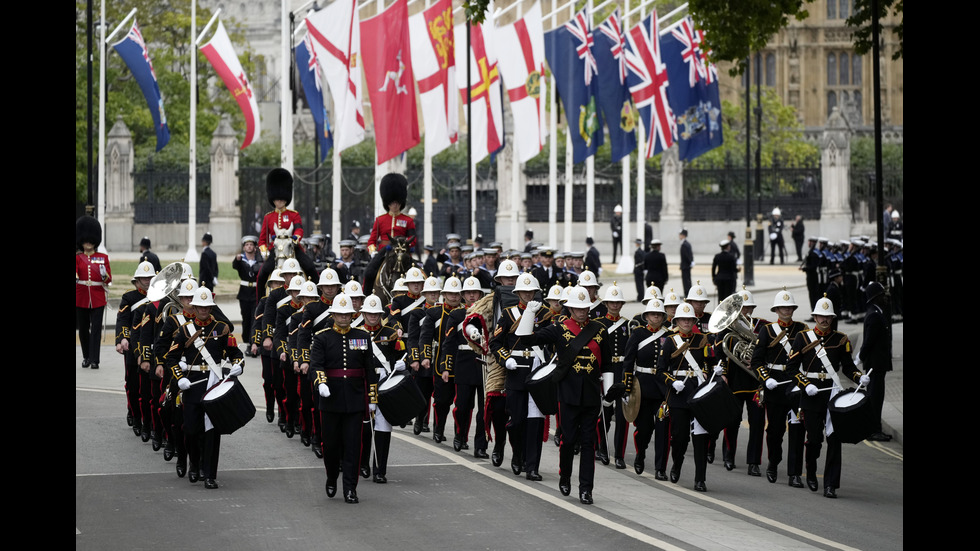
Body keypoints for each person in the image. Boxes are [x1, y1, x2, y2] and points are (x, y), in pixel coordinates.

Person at [516, 287, 613, 504]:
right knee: (568, 440)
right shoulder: (558, 328)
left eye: (585, 307)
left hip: (590, 395)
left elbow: (607, 363)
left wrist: (607, 391)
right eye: (577, 308)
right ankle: (566, 476)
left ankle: (586, 489)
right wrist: (529, 314)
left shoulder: (599, 329)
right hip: (567, 393)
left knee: (589, 443)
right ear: (569, 307)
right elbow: (526, 340)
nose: (581, 311)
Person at [790, 296, 869, 498]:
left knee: (835, 439)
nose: (824, 320)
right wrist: (805, 385)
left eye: (828, 317)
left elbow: (848, 367)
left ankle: (831, 484)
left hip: (833, 393)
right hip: (811, 394)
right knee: (814, 439)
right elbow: (791, 369)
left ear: (833, 318)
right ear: (815, 317)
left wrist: (860, 376)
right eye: (821, 316)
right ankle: (811, 467)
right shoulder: (802, 338)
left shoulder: (841, 340)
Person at [167, 287, 244, 489]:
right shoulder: (185, 331)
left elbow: (235, 353)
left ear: (211, 306)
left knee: (212, 431)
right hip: (192, 385)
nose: (203, 310)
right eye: (199, 306)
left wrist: (238, 365)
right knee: (191, 430)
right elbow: (171, 359)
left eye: (206, 306)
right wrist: (179, 377)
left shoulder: (221, 328)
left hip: (213, 384)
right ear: (195, 306)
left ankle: (209, 474)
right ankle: (194, 463)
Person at [311, 293, 379, 503]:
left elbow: (369, 370)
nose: (343, 318)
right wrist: (321, 382)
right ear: (333, 315)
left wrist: (373, 397)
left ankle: (350, 488)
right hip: (330, 399)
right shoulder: (322, 337)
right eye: (339, 314)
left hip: (355, 399)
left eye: (346, 314)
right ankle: (332, 477)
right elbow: (316, 365)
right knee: (330, 446)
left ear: (352, 314)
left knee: (353, 446)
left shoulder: (363, 336)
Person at [658, 303, 719, 492]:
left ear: (694, 321)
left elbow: (711, 361)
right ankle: (677, 464)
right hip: (679, 393)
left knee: (701, 438)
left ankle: (700, 479)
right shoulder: (670, 341)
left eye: (689, 319)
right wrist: (671, 382)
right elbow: (660, 370)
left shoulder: (703, 340)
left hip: (699, 392)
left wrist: (717, 368)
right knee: (680, 437)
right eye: (682, 319)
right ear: (676, 321)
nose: (686, 322)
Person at [752, 290, 808, 487]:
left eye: (789, 307)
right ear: (776, 310)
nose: (786, 310)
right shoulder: (767, 331)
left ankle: (794, 473)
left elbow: (809, 359)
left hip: (795, 385)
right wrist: (765, 379)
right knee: (775, 431)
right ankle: (773, 463)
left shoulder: (803, 330)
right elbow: (757, 361)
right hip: (774, 385)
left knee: (797, 430)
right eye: (783, 307)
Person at [622, 298, 670, 480]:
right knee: (644, 429)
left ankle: (660, 468)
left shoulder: (669, 335)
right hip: (642, 387)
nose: (656, 317)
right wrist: (627, 389)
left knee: (663, 429)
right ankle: (640, 453)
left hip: (662, 389)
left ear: (663, 317)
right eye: (653, 314)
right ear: (647, 316)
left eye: (659, 314)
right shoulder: (638, 334)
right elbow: (628, 362)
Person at [256, 168, 316, 290]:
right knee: (261, 276)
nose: (280, 201)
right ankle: (260, 306)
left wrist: (295, 239)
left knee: (310, 268)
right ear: (273, 199)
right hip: (275, 250)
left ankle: (317, 298)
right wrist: (264, 251)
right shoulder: (268, 217)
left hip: (292, 247)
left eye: (282, 198)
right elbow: (262, 239)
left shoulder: (294, 214)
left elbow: (299, 229)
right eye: (278, 199)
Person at [363, 173, 417, 296]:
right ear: (387, 203)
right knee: (369, 273)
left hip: (402, 252)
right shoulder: (380, 220)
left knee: (419, 272)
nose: (395, 205)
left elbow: (413, 239)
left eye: (397, 202)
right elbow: (372, 241)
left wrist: (406, 245)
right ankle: (365, 297)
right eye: (392, 202)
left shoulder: (408, 220)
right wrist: (373, 252)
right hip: (384, 252)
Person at [77, 215, 112, 370]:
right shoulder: (78, 258)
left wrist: (104, 275)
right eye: (85, 240)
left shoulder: (103, 257)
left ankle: (95, 360)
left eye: (90, 240)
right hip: (81, 296)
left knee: (96, 330)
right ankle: (86, 357)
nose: (88, 243)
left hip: (97, 297)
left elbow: (108, 279)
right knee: (84, 329)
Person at [859, 282, 893, 442]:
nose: (885, 297)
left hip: (877, 365)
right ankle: (874, 430)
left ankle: (875, 429)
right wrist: (860, 357)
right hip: (875, 365)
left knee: (876, 398)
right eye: (882, 295)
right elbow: (869, 341)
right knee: (875, 398)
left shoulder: (877, 312)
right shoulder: (874, 315)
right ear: (876, 298)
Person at [233, 235, 263, 347]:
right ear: (244, 247)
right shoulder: (241, 260)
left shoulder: (259, 260)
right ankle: (246, 339)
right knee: (246, 318)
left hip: (255, 292)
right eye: (247, 245)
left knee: (255, 318)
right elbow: (234, 266)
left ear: (255, 247)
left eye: (251, 245)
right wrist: (237, 259)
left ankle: (253, 342)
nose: (249, 247)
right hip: (244, 293)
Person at [679, 229, 693, 296]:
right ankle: (689, 293)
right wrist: (691, 261)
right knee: (688, 280)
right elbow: (691, 254)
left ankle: (687, 294)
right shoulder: (687, 244)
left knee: (686, 282)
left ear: (683, 235)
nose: (679, 236)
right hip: (687, 265)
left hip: (685, 266)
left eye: (680, 235)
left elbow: (686, 256)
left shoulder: (684, 244)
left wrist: (689, 262)